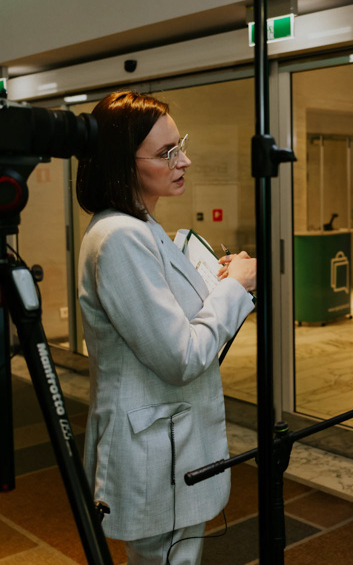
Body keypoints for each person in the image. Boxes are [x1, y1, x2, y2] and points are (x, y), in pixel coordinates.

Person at [75, 91, 256, 565]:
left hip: (168, 439)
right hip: (156, 448)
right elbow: (181, 357)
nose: (184, 161)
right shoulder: (120, 236)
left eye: (181, 145)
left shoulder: (141, 225)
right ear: (121, 163)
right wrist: (234, 288)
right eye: (166, 153)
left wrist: (215, 282)